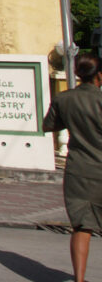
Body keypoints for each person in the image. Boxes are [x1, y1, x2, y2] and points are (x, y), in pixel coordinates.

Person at [44, 52, 102, 282]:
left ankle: (79, 279)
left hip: (79, 169)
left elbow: (48, 125)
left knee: (82, 227)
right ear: (99, 76)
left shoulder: (64, 98)